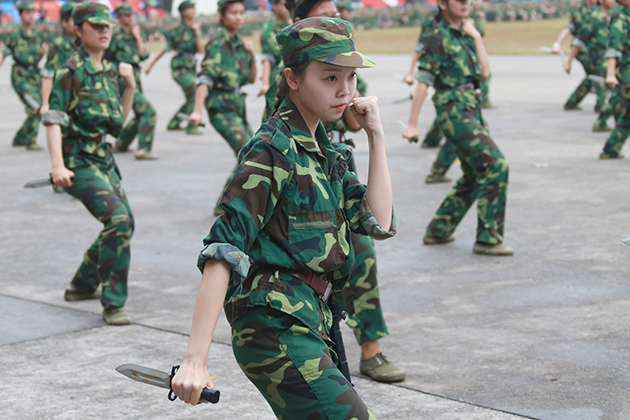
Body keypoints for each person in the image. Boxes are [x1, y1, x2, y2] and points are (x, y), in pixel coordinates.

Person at [171, 17, 395, 418]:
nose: (345, 91)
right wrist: (195, 360)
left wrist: (376, 136)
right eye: (329, 78)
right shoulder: (271, 150)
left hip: (313, 316)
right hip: (274, 323)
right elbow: (223, 249)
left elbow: (376, 220)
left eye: (351, 78)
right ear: (292, 79)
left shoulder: (326, 151)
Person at [290, 0, 406, 383]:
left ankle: (370, 347)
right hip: (309, 189)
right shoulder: (292, 94)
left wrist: (367, 126)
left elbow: (355, 123)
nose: (337, 20)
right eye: (325, 15)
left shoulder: (344, 71)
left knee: (364, 252)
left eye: (338, 14)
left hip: (341, 169)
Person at [42, 2, 136, 326]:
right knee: (119, 219)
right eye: (96, 26)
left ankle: (81, 285)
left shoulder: (110, 71)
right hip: (78, 160)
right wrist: (58, 166)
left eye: (107, 25)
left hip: (104, 159)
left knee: (125, 223)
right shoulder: (70, 71)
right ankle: (113, 304)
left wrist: (131, 88)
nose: (104, 30)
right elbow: (53, 119)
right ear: (78, 30)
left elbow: (117, 127)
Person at [403, 0, 513, 256]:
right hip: (453, 111)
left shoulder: (466, 34)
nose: (466, 4)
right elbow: (423, 81)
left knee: (475, 174)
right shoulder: (437, 37)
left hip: (471, 107)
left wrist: (475, 36)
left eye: (469, 1)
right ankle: (488, 239)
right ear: (442, 4)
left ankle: (438, 230)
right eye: (460, 1)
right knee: (496, 165)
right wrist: (411, 124)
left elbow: (484, 73)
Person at [188, 0, 256, 217]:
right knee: (249, 151)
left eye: (242, 13)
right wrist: (197, 110)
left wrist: (252, 55)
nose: (239, 17)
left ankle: (227, 201)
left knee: (253, 151)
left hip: (237, 105)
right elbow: (205, 77)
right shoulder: (217, 43)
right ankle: (229, 202)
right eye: (233, 13)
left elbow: (251, 78)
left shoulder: (239, 42)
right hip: (221, 107)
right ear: (222, 16)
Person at [106, 3, 158, 160]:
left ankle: (122, 143)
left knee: (139, 114)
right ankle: (143, 149)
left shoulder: (135, 34)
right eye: (127, 15)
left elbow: (144, 56)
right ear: (120, 17)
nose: (131, 18)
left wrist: (138, 37)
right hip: (121, 82)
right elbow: (107, 58)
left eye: (132, 15)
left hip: (135, 80)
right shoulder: (114, 36)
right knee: (148, 112)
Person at [144, 0, 204, 135]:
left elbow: (201, 50)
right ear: (183, 12)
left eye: (194, 8)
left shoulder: (195, 28)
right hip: (179, 66)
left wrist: (197, 32)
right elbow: (165, 49)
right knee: (195, 92)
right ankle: (191, 126)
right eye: (190, 8)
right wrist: (150, 65)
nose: (193, 11)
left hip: (190, 66)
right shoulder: (177, 30)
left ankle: (175, 122)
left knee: (191, 96)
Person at [0, 1, 47, 150]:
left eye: (33, 12)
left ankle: (20, 137)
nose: (31, 16)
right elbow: (3, 53)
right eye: (27, 13)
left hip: (35, 75)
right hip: (20, 75)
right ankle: (30, 140)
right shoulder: (14, 34)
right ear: (21, 15)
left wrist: (43, 52)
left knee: (40, 107)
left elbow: (39, 55)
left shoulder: (38, 33)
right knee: (35, 106)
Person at [563, 0, 616, 132]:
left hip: (609, 57)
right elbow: (580, 39)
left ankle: (574, 102)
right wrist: (568, 61)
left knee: (593, 80)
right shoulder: (594, 17)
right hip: (596, 57)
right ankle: (601, 113)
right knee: (603, 82)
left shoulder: (613, 15)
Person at [600, 0, 630, 159]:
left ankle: (611, 148)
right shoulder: (620, 17)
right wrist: (610, 74)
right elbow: (613, 49)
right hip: (627, 74)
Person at [40, 3, 77, 118]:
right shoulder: (59, 44)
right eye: (74, 19)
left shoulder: (86, 41)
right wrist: (45, 103)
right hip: (64, 98)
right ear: (64, 23)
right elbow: (48, 75)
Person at [259, 0, 291, 122]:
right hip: (278, 82)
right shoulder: (270, 29)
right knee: (273, 122)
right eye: (284, 5)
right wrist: (265, 83)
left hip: (293, 80)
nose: (287, 8)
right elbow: (268, 58)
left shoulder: (291, 24)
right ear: (274, 6)